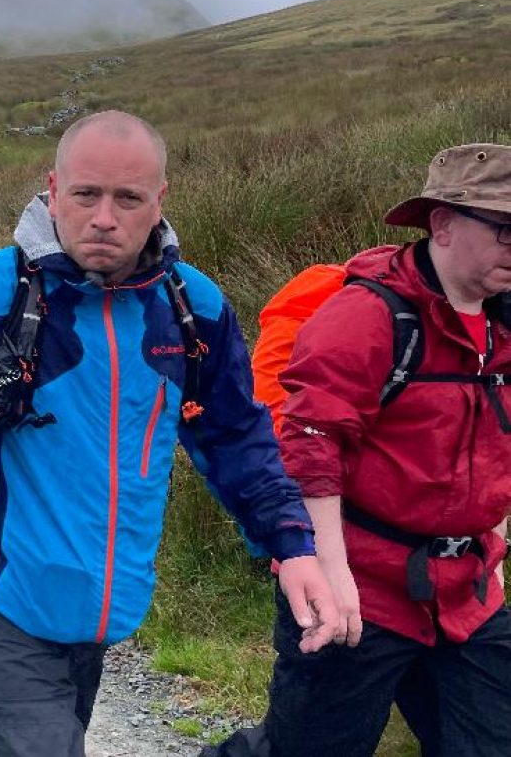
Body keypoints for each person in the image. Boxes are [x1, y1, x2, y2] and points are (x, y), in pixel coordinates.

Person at [0, 110, 339, 756]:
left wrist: (293, 547)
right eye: (86, 194)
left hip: (106, 607)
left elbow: (238, 440)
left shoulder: (193, 309)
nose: (105, 216)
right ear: (53, 191)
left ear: (159, 202)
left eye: (128, 198)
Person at [208, 144, 511, 757]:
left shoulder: (504, 323)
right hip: (360, 584)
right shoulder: (368, 316)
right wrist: (333, 574)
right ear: (444, 223)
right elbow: (311, 444)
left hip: (466, 594)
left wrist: (494, 549)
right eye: (505, 230)